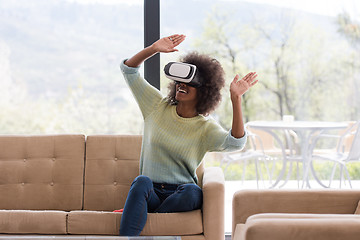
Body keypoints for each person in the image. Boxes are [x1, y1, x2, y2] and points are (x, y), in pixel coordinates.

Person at [119, 34, 258, 236]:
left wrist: (236, 99)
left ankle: (152, 224)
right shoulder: (156, 106)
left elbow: (236, 143)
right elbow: (128, 70)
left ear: (204, 92)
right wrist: (153, 49)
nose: (181, 85)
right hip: (151, 192)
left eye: (190, 83)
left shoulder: (205, 128)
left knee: (194, 191)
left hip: (181, 194)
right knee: (141, 181)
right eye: (179, 80)